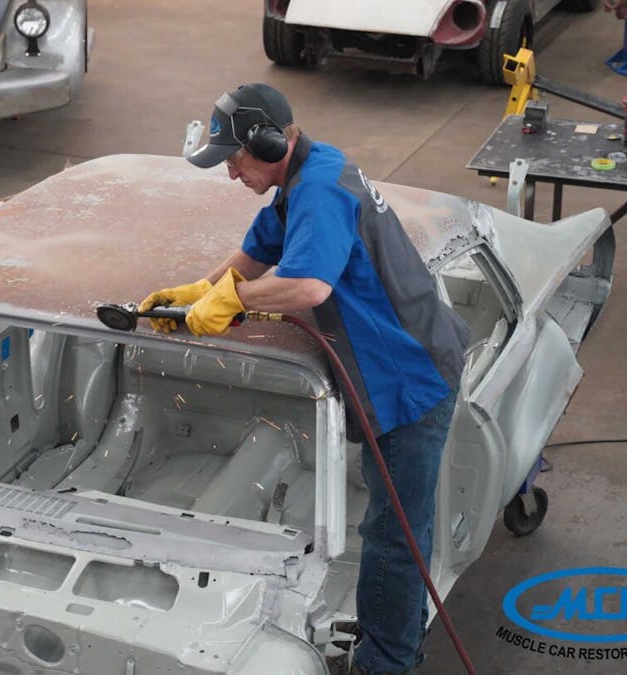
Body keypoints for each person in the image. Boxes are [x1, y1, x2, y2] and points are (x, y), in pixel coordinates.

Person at [138, 82, 470, 674]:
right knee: (391, 529)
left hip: (411, 381)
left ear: (269, 142)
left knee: (396, 538)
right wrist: (197, 291)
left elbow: (308, 287)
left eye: (233, 159)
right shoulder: (308, 171)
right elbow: (256, 255)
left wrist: (234, 302)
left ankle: (387, 664)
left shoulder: (317, 190)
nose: (230, 173)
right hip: (396, 366)